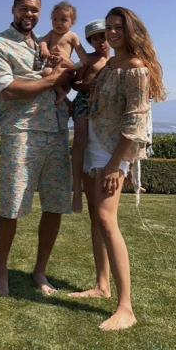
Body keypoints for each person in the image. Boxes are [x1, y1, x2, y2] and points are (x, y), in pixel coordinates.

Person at [68, 7, 166, 331]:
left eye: (118, 27)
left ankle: (126, 308)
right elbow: (96, 100)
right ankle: (102, 285)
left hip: (115, 151)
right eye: (108, 27)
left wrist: (114, 164)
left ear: (131, 30)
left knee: (107, 219)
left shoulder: (137, 68)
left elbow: (135, 122)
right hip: (95, 143)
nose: (111, 33)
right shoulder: (111, 64)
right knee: (97, 218)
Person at [0, 0, 74, 297]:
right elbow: (8, 90)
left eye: (35, 10)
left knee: (55, 206)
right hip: (21, 132)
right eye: (24, 8)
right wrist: (50, 81)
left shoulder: (46, 44)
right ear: (13, 9)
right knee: (10, 206)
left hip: (57, 131)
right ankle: (0, 274)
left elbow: (70, 75)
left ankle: (40, 272)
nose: (29, 14)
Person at [70, 19, 110, 214]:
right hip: (84, 102)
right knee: (80, 141)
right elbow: (74, 83)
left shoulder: (115, 62)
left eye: (103, 36)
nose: (100, 41)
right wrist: (87, 86)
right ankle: (77, 190)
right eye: (95, 39)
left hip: (105, 108)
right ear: (90, 42)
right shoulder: (88, 60)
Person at [38, 0, 89, 106]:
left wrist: (84, 58)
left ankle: (64, 95)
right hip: (52, 66)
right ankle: (61, 94)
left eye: (63, 20)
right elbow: (43, 41)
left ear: (72, 22)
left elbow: (79, 49)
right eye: (55, 19)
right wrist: (44, 48)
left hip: (65, 67)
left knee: (69, 80)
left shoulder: (72, 36)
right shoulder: (51, 33)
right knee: (46, 72)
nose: (58, 22)